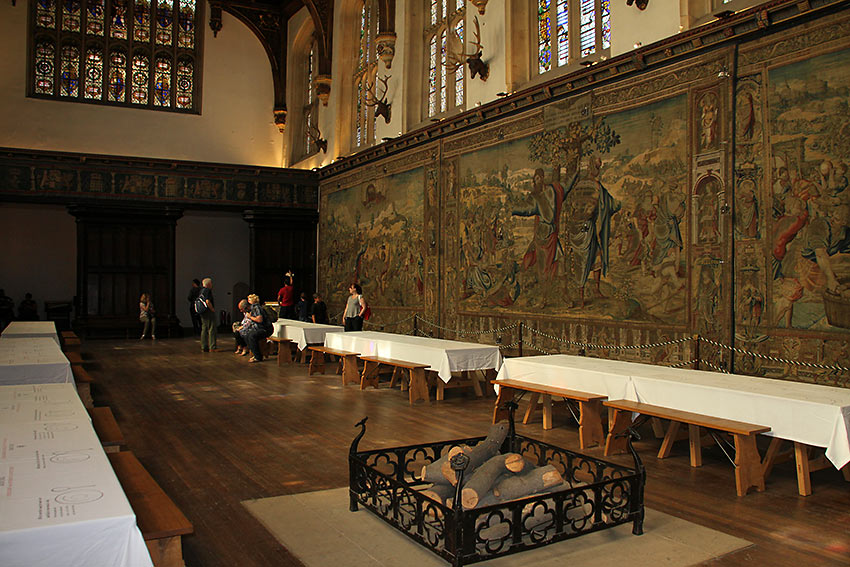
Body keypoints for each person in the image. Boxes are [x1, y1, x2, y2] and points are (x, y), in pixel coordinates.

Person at [245, 294, 271, 362]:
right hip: (261, 328)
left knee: (252, 336)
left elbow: (259, 320)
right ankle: (254, 353)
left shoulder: (257, 307)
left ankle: (258, 356)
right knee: (247, 335)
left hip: (265, 329)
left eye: (249, 300)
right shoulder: (254, 307)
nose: (248, 301)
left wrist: (250, 317)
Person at [199, 277, 217, 352]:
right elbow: (207, 301)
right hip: (208, 311)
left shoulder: (201, 291)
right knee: (212, 328)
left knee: (204, 328)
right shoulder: (207, 291)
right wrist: (212, 309)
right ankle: (212, 347)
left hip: (202, 311)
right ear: (209, 284)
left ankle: (204, 346)